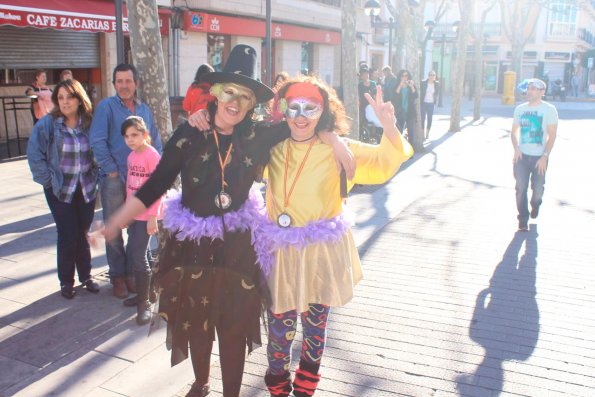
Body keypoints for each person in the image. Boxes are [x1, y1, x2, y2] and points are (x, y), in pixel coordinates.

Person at [97, 45, 353, 397]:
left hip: (238, 246)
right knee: (197, 324)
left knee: (233, 327)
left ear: (251, 104)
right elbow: (156, 182)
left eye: (245, 96)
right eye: (229, 91)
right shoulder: (189, 134)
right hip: (192, 245)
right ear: (216, 93)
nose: (236, 102)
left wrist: (334, 138)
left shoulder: (257, 135)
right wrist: (115, 222)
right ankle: (201, 383)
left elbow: (305, 122)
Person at [261, 76, 413, 397]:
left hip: (320, 255)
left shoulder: (338, 150)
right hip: (280, 255)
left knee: (314, 330)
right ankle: (278, 390)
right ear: (282, 111)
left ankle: (305, 390)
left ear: (323, 113)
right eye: (294, 108)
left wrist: (388, 127)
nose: (301, 116)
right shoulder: (270, 148)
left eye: (311, 109)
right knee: (279, 330)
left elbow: (385, 162)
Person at [90, 63, 163, 299]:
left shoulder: (145, 110)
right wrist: (112, 172)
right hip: (115, 179)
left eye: (128, 81)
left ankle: (133, 275)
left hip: (142, 182)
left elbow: (156, 141)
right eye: (119, 81)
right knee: (114, 229)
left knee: (137, 230)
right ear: (114, 84)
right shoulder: (106, 108)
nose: (123, 85)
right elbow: (97, 141)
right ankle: (118, 277)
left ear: (136, 83)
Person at [26, 79, 100, 299]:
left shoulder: (89, 123)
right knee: (67, 234)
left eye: (70, 97)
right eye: (61, 98)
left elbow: (97, 151)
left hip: (85, 187)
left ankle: (86, 276)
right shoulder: (48, 124)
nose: (65, 102)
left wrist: (96, 174)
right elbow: (34, 154)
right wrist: (48, 181)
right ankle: (66, 281)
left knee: (82, 233)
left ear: (79, 99)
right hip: (59, 189)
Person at [120, 116, 164, 325]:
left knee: (138, 256)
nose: (130, 139)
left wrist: (153, 217)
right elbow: (130, 188)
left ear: (144, 134)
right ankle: (146, 293)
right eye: (127, 136)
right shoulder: (131, 157)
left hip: (148, 214)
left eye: (135, 135)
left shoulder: (151, 155)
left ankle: (144, 304)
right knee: (140, 253)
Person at [510, 78, 558, 231]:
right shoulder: (520, 109)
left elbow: (552, 135)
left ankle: (535, 204)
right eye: (528, 88)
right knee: (520, 188)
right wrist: (516, 148)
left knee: (537, 190)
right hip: (521, 157)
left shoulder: (549, 110)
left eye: (534, 89)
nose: (529, 91)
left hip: (539, 157)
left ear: (542, 92)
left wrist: (545, 156)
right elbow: (513, 132)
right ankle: (523, 219)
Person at [391, 69, 418, 143]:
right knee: (399, 132)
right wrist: (400, 85)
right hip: (400, 112)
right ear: (399, 77)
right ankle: (400, 150)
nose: (404, 77)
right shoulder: (397, 86)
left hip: (410, 112)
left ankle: (411, 152)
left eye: (406, 76)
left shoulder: (411, 86)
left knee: (411, 133)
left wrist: (412, 86)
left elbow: (416, 96)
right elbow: (394, 97)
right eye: (402, 76)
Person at [420, 70, 441, 139]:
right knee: (422, 119)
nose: (432, 76)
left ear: (435, 77)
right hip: (424, 103)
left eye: (433, 75)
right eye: (431, 75)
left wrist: (435, 99)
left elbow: (437, 93)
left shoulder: (437, 84)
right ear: (428, 76)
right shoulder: (423, 83)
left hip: (431, 104)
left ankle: (427, 133)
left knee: (430, 119)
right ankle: (422, 133)